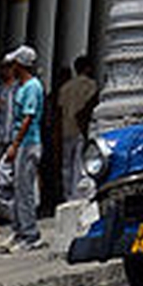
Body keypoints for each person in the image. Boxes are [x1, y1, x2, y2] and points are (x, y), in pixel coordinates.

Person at [3, 46, 45, 251]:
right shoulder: (21, 87)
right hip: (20, 143)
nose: (10, 68)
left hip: (27, 144)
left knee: (24, 191)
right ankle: (20, 229)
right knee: (3, 186)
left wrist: (15, 145)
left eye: (13, 64)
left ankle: (30, 235)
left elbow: (28, 118)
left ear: (20, 65)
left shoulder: (32, 87)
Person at [57, 52, 98, 203]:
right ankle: (78, 195)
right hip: (81, 129)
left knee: (66, 165)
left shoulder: (65, 88)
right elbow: (89, 108)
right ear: (87, 68)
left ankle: (67, 195)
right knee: (79, 165)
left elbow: (59, 111)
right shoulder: (91, 85)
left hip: (66, 129)